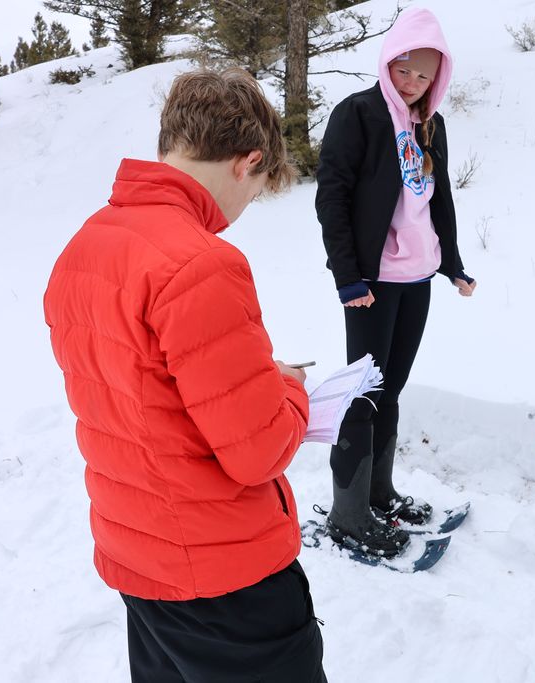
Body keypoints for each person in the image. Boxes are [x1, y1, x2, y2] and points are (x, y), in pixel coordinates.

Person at [43, 69, 326, 683]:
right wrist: (289, 388)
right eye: (256, 190)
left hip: (141, 562)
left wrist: (249, 378)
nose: (240, 213)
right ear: (248, 162)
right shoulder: (201, 263)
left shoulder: (85, 247)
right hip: (224, 578)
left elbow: (142, 394)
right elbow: (260, 452)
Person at [315, 7, 476, 557]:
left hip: (416, 277)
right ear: (388, 64)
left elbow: (440, 200)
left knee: (392, 390)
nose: (412, 83)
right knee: (362, 395)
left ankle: (379, 492)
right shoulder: (358, 114)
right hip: (371, 281)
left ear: (439, 77)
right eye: (404, 70)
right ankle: (347, 513)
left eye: (424, 75)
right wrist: (347, 276)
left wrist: (451, 262)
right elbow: (331, 197)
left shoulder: (431, 125)